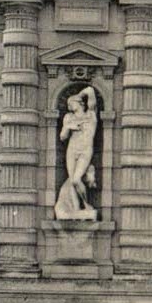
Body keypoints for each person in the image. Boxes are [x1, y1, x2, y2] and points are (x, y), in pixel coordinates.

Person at [54, 85, 98, 220]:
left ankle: (86, 204)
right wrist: (68, 127)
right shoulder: (68, 117)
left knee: (76, 179)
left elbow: (90, 90)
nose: (69, 105)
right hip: (72, 150)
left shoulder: (91, 115)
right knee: (72, 180)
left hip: (85, 150)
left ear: (80, 103)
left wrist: (78, 94)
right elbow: (62, 137)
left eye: (71, 102)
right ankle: (77, 210)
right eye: (68, 103)